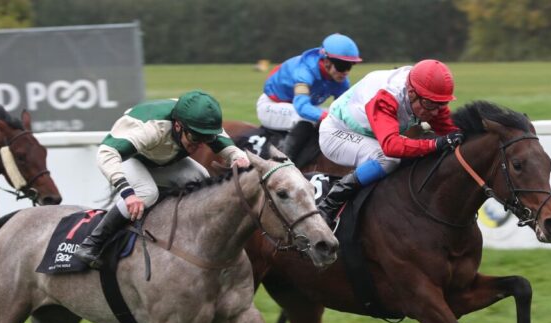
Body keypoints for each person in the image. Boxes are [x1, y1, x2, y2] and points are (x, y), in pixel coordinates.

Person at [74, 90, 251, 269]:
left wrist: (238, 157)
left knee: (200, 180)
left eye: (206, 139)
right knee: (147, 193)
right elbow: (106, 154)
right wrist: (128, 193)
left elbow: (229, 148)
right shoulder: (151, 128)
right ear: (177, 126)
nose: (199, 145)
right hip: (130, 159)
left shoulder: (201, 123)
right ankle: (92, 243)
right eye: (195, 137)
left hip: (159, 158)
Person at [317, 59, 465, 226]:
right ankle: (329, 205)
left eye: (441, 104)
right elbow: (391, 146)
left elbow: (453, 132)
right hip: (337, 133)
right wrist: (435, 144)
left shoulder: (428, 96)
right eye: (430, 104)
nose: (436, 111)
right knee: (388, 159)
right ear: (411, 93)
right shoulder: (387, 97)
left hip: (371, 133)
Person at [256, 33, 362, 166]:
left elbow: (345, 109)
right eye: (341, 65)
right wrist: (330, 116)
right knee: (308, 119)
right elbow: (302, 107)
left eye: (349, 66)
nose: (345, 72)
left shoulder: (341, 80)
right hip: (271, 106)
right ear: (326, 61)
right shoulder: (304, 72)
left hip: (295, 106)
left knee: (337, 115)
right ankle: (283, 166)